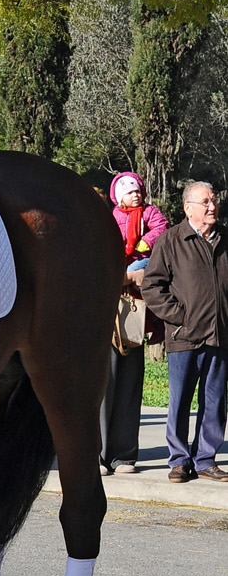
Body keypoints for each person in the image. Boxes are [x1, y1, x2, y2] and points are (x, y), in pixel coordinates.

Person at [141, 181, 228, 482]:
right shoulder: (171, 240)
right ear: (188, 207)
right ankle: (179, 461)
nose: (212, 206)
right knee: (179, 402)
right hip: (184, 337)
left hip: (219, 335)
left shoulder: (225, 239)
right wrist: (180, 317)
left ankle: (205, 460)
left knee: (214, 402)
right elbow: (152, 285)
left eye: (214, 200)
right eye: (205, 202)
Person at [100, 173, 168, 475]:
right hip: (103, 314)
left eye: (139, 191)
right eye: (130, 192)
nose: (136, 196)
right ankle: (97, 455)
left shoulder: (151, 217)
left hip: (136, 312)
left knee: (129, 384)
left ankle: (124, 456)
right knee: (103, 385)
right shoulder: (105, 221)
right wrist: (123, 276)